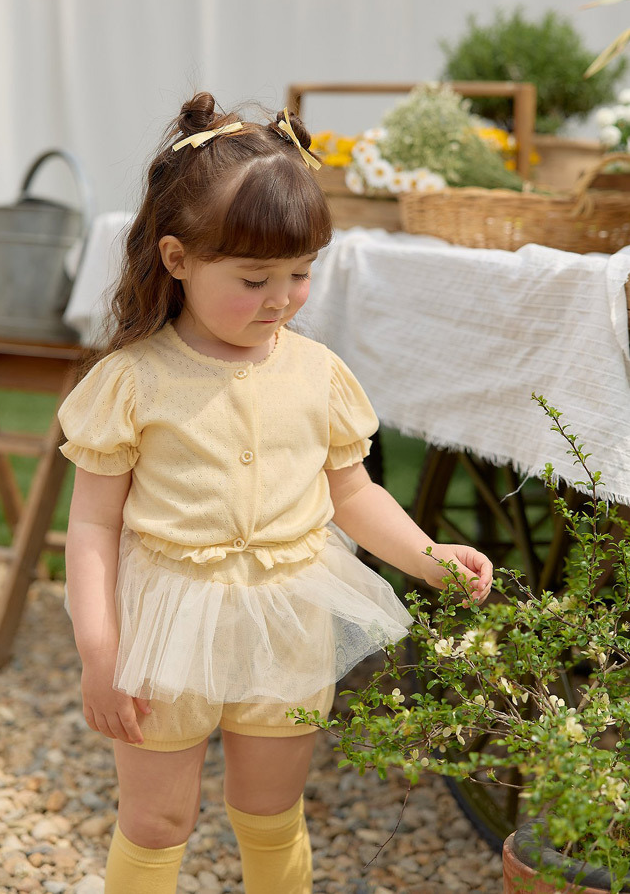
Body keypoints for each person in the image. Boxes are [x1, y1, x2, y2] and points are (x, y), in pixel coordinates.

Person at [57, 91, 493, 894]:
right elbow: (91, 526)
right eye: (255, 277)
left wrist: (428, 558)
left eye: (299, 275)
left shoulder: (318, 373)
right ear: (177, 259)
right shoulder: (131, 383)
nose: (282, 299)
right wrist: (99, 649)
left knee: (270, 813)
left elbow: (352, 496)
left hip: (287, 616)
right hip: (164, 619)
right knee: (155, 820)